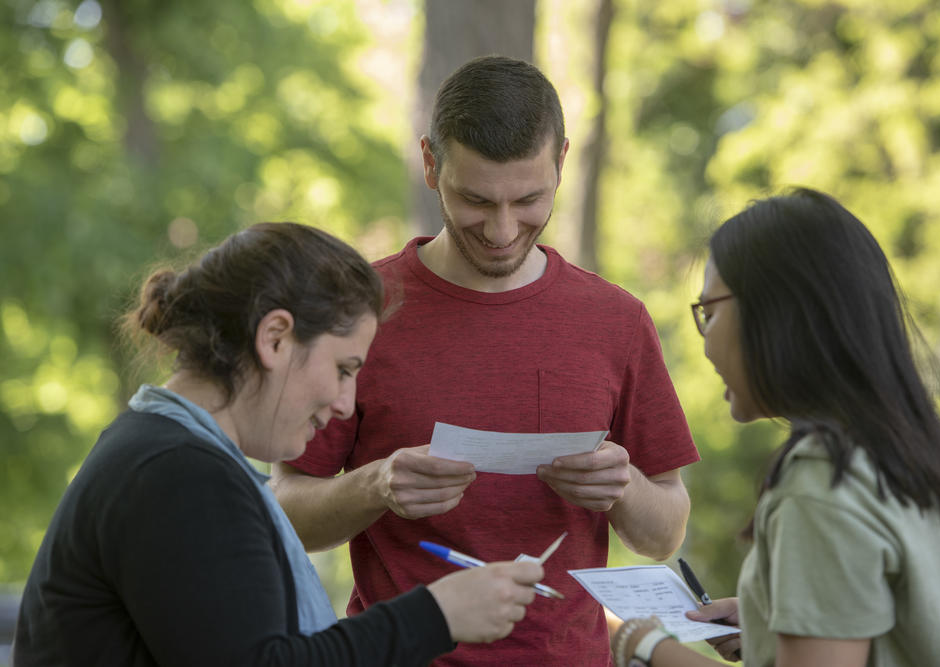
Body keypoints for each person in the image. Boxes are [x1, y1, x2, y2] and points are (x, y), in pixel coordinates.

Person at [271, 56, 700, 666]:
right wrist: (375, 485)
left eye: (529, 200)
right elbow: (283, 510)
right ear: (429, 164)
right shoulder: (355, 309)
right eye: (474, 200)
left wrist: (623, 486)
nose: (501, 230)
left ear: (563, 162)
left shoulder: (616, 320)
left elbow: (666, 533)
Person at [12, 222, 547, 666]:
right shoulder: (178, 474)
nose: (344, 403)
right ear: (274, 338)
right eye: (342, 369)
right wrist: (435, 615)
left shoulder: (165, 453)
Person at [610, 188, 940, 667]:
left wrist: (641, 644)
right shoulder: (925, 455)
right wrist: (770, 624)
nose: (706, 343)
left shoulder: (824, 479)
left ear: (776, 313)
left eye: (709, 313)